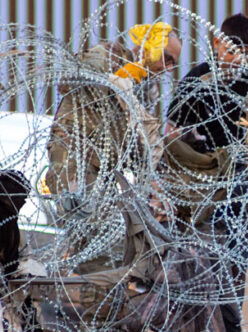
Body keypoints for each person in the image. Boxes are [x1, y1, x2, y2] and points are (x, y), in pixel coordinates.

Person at [165, 13, 248, 332]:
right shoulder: (197, 79)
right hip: (201, 186)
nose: (236, 56)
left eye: (243, 50)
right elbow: (173, 130)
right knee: (197, 263)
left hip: (239, 186)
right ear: (216, 43)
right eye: (230, 49)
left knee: (233, 265)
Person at [44, 22, 181, 274]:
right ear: (150, 48)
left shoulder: (144, 88)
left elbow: (138, 142)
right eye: (167, 58)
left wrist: (153, 182)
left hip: (102, 170)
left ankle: (94, 300)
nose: (169, 68)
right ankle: (91, 302)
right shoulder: (110, 55)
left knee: (106, 242)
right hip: (73, 162)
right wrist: (117, 78)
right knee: (99, 235)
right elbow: (69, 77)